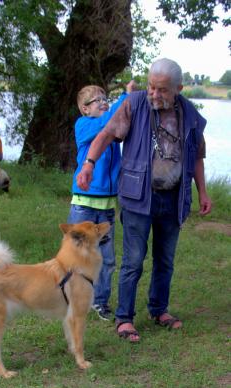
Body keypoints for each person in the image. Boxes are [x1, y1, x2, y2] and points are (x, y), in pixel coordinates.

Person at [77, 58, 212, 342]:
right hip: (138, 197)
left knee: (165, 259)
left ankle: (159, 309)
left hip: (174, 197)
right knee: (134, 260)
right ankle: (124, 318)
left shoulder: (189, 113)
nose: (154, 94)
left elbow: (197, 155)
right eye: (151, 86)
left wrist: (203, 191)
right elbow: (106, 133)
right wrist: (89, 163)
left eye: (162, 89)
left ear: (178, 88)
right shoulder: (134, 104)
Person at [69, 81, 137, 321]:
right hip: (83, 205)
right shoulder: (85, 125)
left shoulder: (110, 130)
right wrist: (126, 97)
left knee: (107, 259)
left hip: (107, 206)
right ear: (84, 109)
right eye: (96, 100)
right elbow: (107, 122)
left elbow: (119, 125)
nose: (103, 102)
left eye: (104, 98)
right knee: (78, 254)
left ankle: (100, 301)